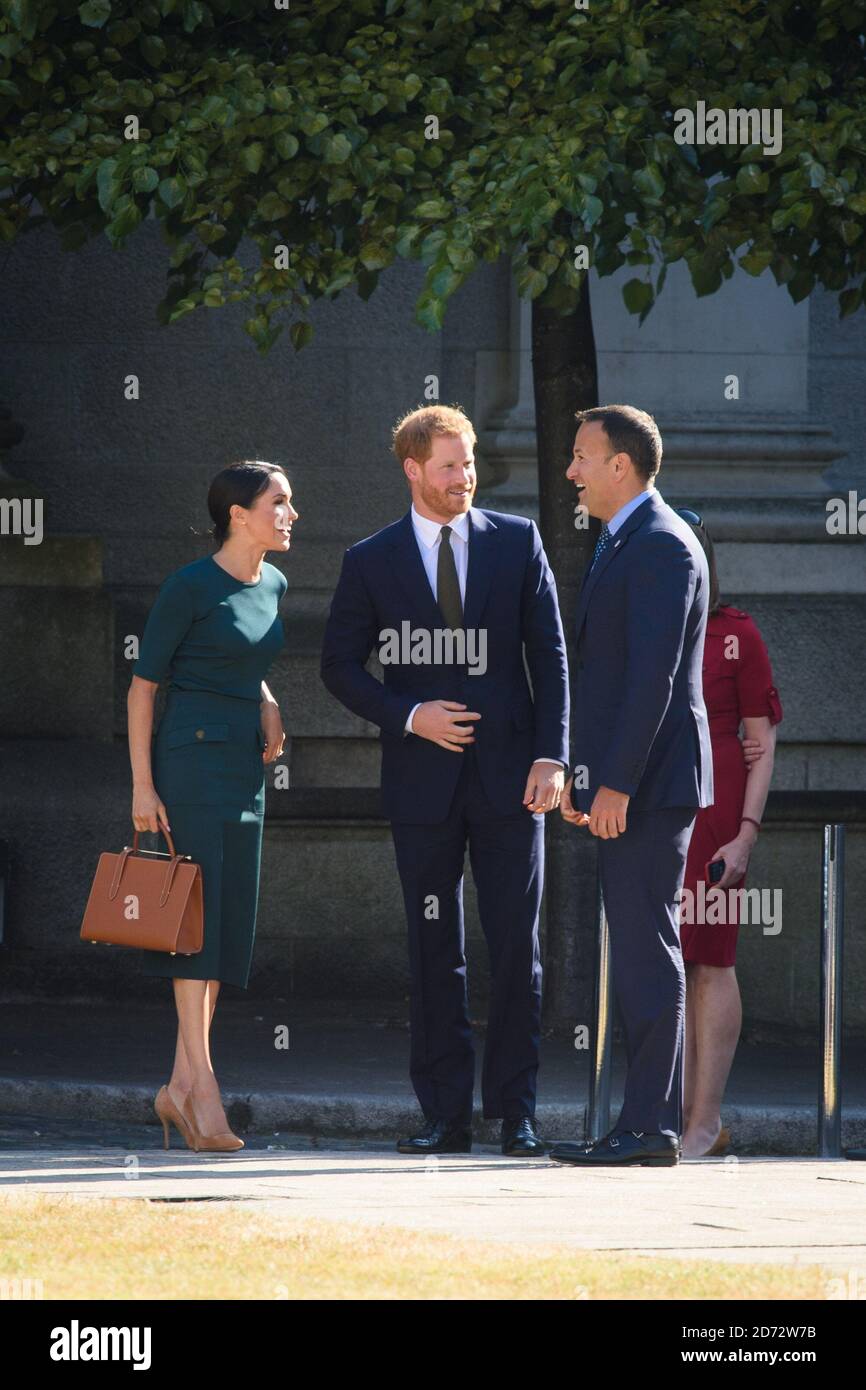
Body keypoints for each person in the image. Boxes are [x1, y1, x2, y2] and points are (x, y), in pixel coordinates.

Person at [320, 405, 569, 1157]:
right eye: (449, 466)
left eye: (469, 465)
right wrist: (409, 715)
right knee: (435, 948)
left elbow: (551, 657)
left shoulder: (518, 542)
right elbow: (338, 666)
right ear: (412, 469)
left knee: (515, 950)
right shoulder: (371, 559)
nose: (464, 478)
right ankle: (445, 1116)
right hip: (421, 788)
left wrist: (552, 756)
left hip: (512, 782)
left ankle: (516, 1114)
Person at [551, 404, 713, 1169]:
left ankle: (649, 1126)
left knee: (648, 948)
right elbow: (608, 677)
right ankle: (646, 1123)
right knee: (644, 945)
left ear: (622, 466)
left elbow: (652, 681)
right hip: (628, 782)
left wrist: (615, 784)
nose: (573, 472)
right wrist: (590, 779)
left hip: (648, 786)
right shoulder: (626, 540)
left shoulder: (660, 545)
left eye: (583, 458)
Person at [127, 461, 294, 1153]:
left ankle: (176, 1087)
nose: (291, 514)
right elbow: (142, 690)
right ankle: (203, 1087)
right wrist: (142, 786)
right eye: (278, 503)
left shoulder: (277, 583)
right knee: (190, 923)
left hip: (244, 769)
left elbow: (243, 660)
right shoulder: (188, 586)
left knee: (224, 925)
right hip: (189, 763)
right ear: (238, 514)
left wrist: (268, 700)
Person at [675, 510, 782, 1159]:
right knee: (667, 961)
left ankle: (704, 1122)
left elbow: (761, 744)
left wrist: (746, 835)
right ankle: (671, 1115)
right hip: (658, 808)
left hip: (717, 815)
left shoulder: (735, 633)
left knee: (711, 959)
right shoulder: (648, 626)